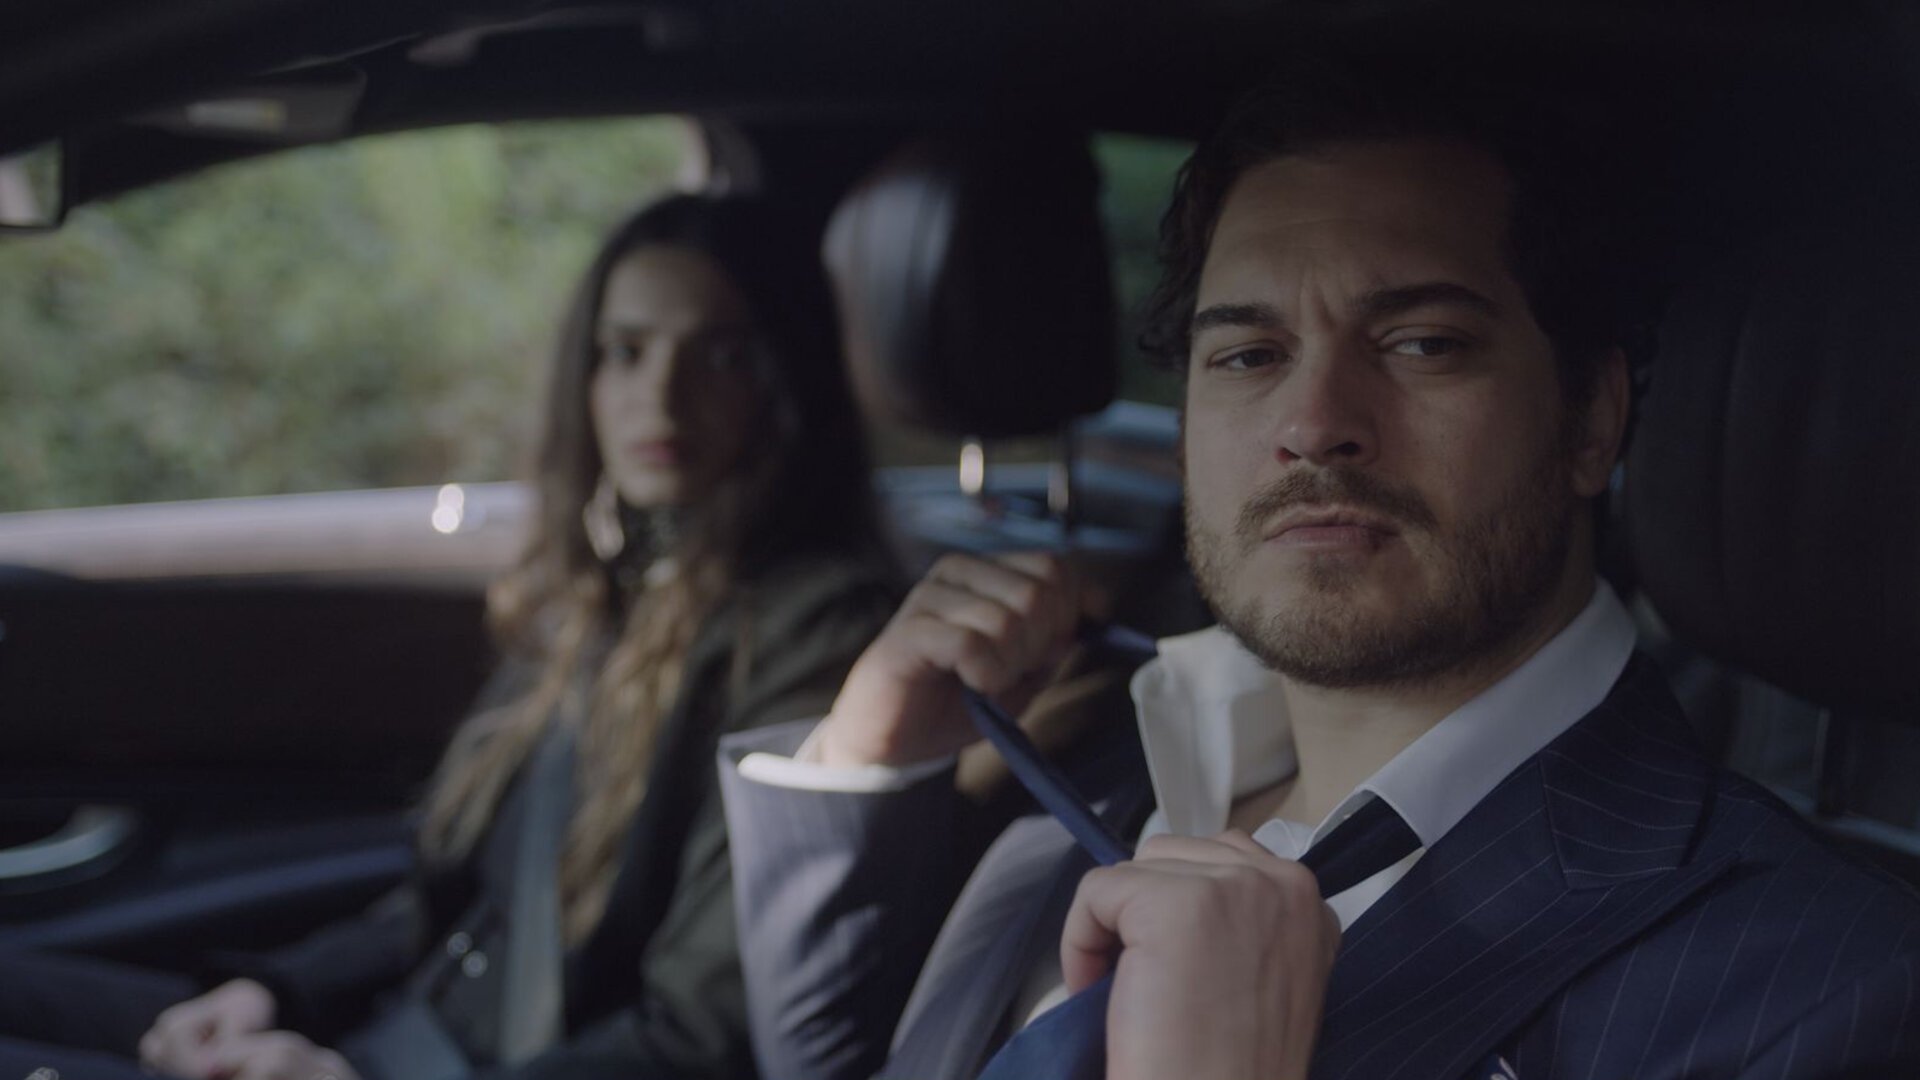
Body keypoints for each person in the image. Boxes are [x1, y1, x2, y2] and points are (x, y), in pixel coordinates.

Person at [715, 71, 1920, 1080]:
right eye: (1249, 354)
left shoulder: (1831, 992)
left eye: (1423, 343)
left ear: (1592, 420)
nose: (1313, 424)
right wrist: (866, 764)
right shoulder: (1094, 776)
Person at [0, 194, 896, 1080]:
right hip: (395, 1036)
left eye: (722, 355)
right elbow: (458, 905)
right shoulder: (615, 585)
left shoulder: (813, 633)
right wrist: (276, 994)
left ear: (786, 381)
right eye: (625, 352)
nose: (659, 395)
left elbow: (699, 1039)